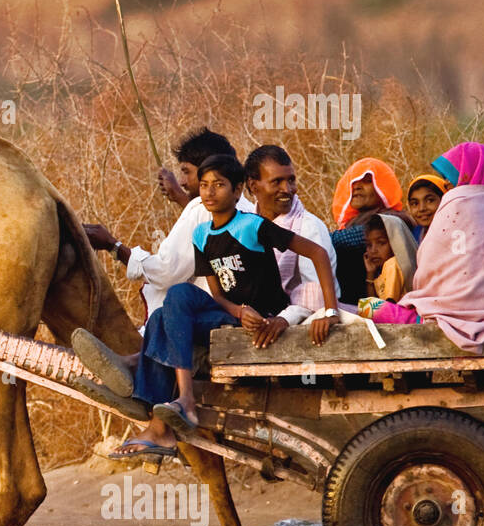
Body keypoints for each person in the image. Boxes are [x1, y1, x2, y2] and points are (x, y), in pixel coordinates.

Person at [109, 154, 340, 458]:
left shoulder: (252, 225)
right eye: (203, 185)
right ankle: (164, 419)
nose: (209, 192)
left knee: (176, 297)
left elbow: (318, 253)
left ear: (237, 190)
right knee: (162, 315)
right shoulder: (201, 234)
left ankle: (178, 400)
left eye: (219, 185)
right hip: (234, 317)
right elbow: (217, 295)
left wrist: (331, 310)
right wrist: (238, 311)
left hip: (264, 320)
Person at [83, 127, 254, 329]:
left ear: (208, 173)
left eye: (186, 172)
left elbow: (165, 272)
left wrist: (113, 246)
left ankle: (134, 361)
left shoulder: (199, 209)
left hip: (207, 319)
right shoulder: (249, 209)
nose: (181, 181)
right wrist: (182, 199)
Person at [365, 142, 484, 353]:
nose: (449, 187)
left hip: (446, 314)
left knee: (368, 306)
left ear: (467, 176)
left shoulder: (455, 205)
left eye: (451, 180)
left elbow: (425, 273)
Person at [242, 144, 340, 348]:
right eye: (276, 182)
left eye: (291, 180)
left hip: (301, 329)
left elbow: (316, 297)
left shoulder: (308, 226)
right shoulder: (245, 225)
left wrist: (284, 319)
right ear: (253, 186)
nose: (287, 190)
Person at [329, 158, 412, 303]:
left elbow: (341, 240)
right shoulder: (352, 222)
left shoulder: (392, 219)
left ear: (383, 187)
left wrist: (307, 239)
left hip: (386, 308)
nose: (356, 187)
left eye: (367, 181)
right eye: (353, 183)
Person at [361, 214, 416, 302]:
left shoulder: (392, 264)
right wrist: (370, 274)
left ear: (396, 242)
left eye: (381, 243)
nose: (373, 250)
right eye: (369, 245)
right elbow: (374, 304)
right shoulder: (384, 268)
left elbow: (386, 307)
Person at [406, 173, 452, 245]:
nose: (421, 209)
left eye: (429, 200)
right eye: (415, 203)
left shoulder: (455, 232)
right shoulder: (414, 235)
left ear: (445, 200)